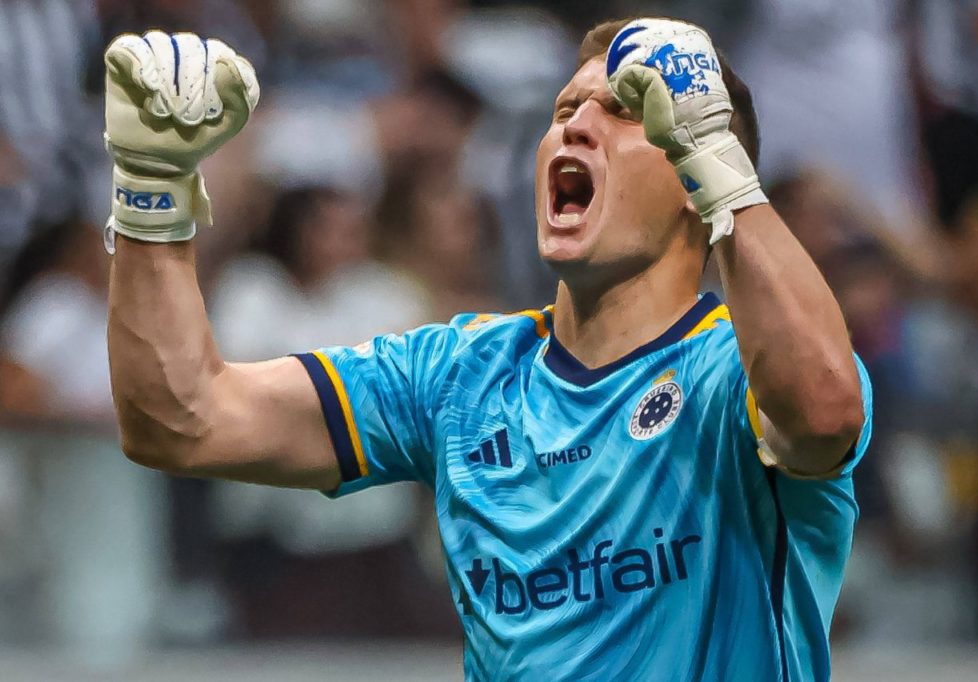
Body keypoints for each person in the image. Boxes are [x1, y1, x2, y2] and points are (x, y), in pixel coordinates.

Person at [103, 18, 871, 681]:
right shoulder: (459, 376)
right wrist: (151, 190)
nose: (574, 126)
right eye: (565, 108)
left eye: (624, 112)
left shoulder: (730, 376)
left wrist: (721, 165)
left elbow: (825, 409)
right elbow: (182, 418)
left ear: (698, 180)